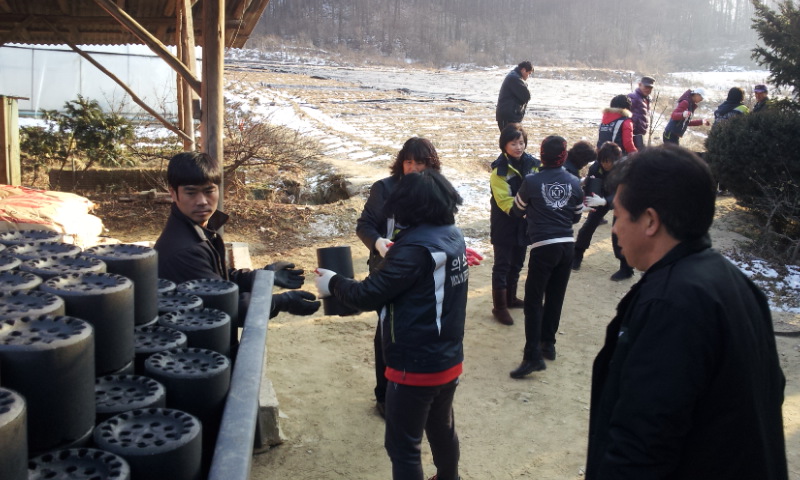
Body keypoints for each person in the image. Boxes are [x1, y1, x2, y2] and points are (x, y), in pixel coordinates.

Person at [585, 145, 788, 480]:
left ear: (650, 221)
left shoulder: (672, 306)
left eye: (618, 216)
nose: (615, 228)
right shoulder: (732, 281)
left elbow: (641, 446)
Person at [316, 169, 468, 480]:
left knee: (403, 447)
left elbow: (367, 295)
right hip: (448, 358)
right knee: (441, 427)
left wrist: (333, 283)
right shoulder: (452, 235)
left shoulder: (414, 250)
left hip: (415, 365)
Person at [155, 152, 321, 321]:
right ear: (173, 193)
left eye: (209, 191)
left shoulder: (198, 230)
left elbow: (219, 280)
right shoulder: (184, 250)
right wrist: (281, 302)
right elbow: (224, 306)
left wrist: (263, 277)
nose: (202, 201)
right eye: (191, 193)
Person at [356, 136, 443, 417]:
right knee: (387, 332)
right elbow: (364, 224)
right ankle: (384, 395)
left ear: (431, 165)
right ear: (401, 163)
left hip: (422, 273)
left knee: (415, 330)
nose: (414, 168)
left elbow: (442, 228)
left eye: (420, 163)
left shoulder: (435, 190)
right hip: (387, 269)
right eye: (408, 162)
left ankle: (412, 389)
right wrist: (378, 242)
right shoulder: (384, 189)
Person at [509, 135, 583, 378]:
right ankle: (548, 344)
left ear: (541, 155)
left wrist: (536, 211)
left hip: (543, 246)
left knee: (533, 300)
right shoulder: (575, 182)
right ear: (564, 155)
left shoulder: (531, 181)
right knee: (555, 297)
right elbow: (576, 216)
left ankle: (532, 356)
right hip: (567, 246)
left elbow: (516, 210)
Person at [489, 123, 539, 326]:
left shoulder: (534, 164)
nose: (518, 147)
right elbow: (504, 201)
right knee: (502, 265)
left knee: (517, 262)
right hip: (505, 223)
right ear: (504, 145)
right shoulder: (499, 171)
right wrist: (525, 210)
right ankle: (499, 307)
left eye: (521, 142)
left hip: (524, 224)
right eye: (513, 143)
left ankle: (511, 298)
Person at [572, 142, 632, 283]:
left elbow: (623, 192)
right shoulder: (596, 167)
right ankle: (577, 255)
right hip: (601, 196)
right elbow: (591, 186)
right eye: (603, 161)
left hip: (623, 200)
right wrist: (588, 200)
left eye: (608, 162)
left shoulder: (625, 169)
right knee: (588, 225)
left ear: (616, 159)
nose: (605, 165)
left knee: (618, 232)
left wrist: (606, 201)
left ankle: (626, 267)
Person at [495, 61, 533, 131]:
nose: (528, 76)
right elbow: (526, 96)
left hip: (509, 115)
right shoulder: (515, 79)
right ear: (523, 70)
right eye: (529, 73)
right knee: (510, 136)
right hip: (509, 116)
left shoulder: (514, 76)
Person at [627, 75, 655, 150]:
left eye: (650, 88)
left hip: (641, 134)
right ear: (639, 85)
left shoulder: (647, 99)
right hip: (632, 134)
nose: (648, 89)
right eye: (646, 87)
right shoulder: (633, 97)